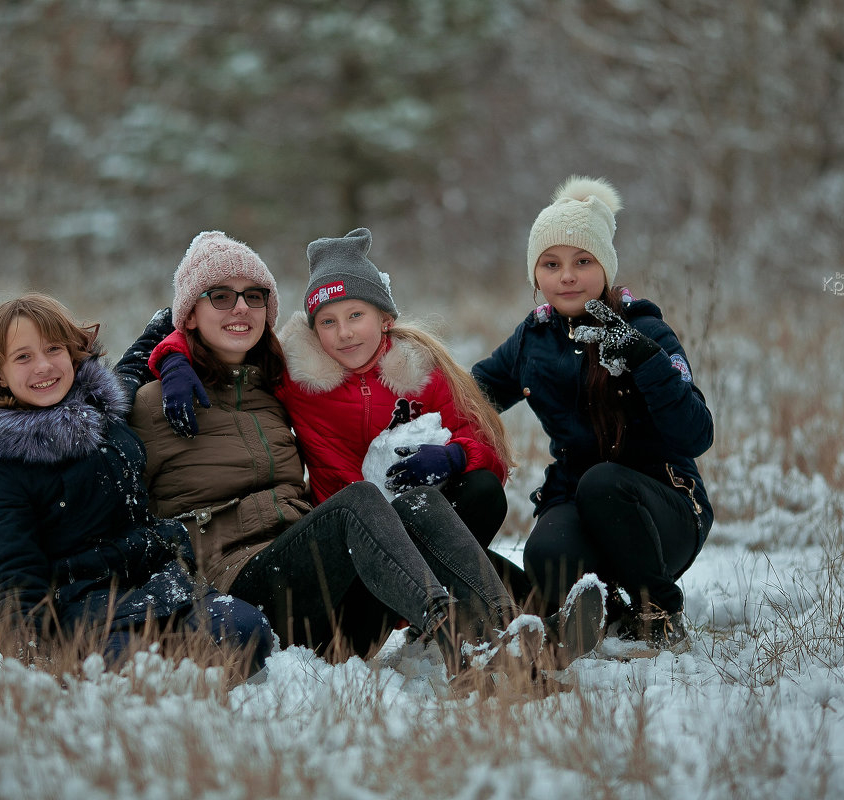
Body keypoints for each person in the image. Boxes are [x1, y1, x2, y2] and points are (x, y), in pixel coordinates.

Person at [142, 229, 607, 665]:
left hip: (327, 576)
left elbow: (480, 439)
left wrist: (454, 455)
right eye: (220, 297)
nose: (240, 308)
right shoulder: (156, 401)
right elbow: (116, 475)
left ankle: (511, 635)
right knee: (364, 501)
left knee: (418, 504)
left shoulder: (270, 381)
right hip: (242, 584)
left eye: (254, 296)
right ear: (188, 316)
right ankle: (461, 641)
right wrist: (172, 356)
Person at [0, 293, 273, 678]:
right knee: (136, 669)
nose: (43, 366)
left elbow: (143, 352)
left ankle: (183, 670)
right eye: (22, 357)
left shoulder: (103, 409)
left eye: (53, 349)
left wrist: (181, 322)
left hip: (161, 584)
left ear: (72, 353)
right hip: (85, 606)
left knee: (247, 630)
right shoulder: (0, 464)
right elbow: (16, 573)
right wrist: (25, 666)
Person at [471, 176, 714, 652]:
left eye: (583, 262)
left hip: (663, 508)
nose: (567, 276)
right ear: (535, 275)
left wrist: (647, 362)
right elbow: (472, 394)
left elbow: (696, 435)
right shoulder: (533, 339)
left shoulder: (644, 328)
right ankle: (609, 610)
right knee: (546, 555)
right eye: (551, 264)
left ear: (604, 266)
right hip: (579, 500)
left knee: (604, 481)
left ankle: (659, 611)